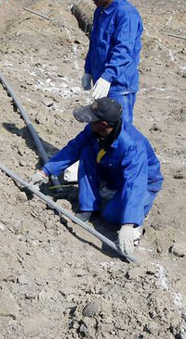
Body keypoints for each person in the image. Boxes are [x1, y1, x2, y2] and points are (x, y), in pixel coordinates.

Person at [28, 97, 163, 255]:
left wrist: (128, 223)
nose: (88, 122)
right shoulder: (94, 130)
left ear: (104, 124)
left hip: (144, 182)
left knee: (111, 216)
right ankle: (88, 206)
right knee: (86, 151)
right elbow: (74, 147)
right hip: (114, 171)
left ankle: (141, 212)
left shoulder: (132, 146)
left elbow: (135, 184)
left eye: (92, 119)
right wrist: (46, 171)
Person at [81, 0, 144, 125]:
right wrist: (88, 70)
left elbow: (123, 51)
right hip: (101, 82)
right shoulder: (100, 12)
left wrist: (107, 77)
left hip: (118, 86)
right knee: (102, 128)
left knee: (119, 129)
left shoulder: (126, 15)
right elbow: (95, 44)